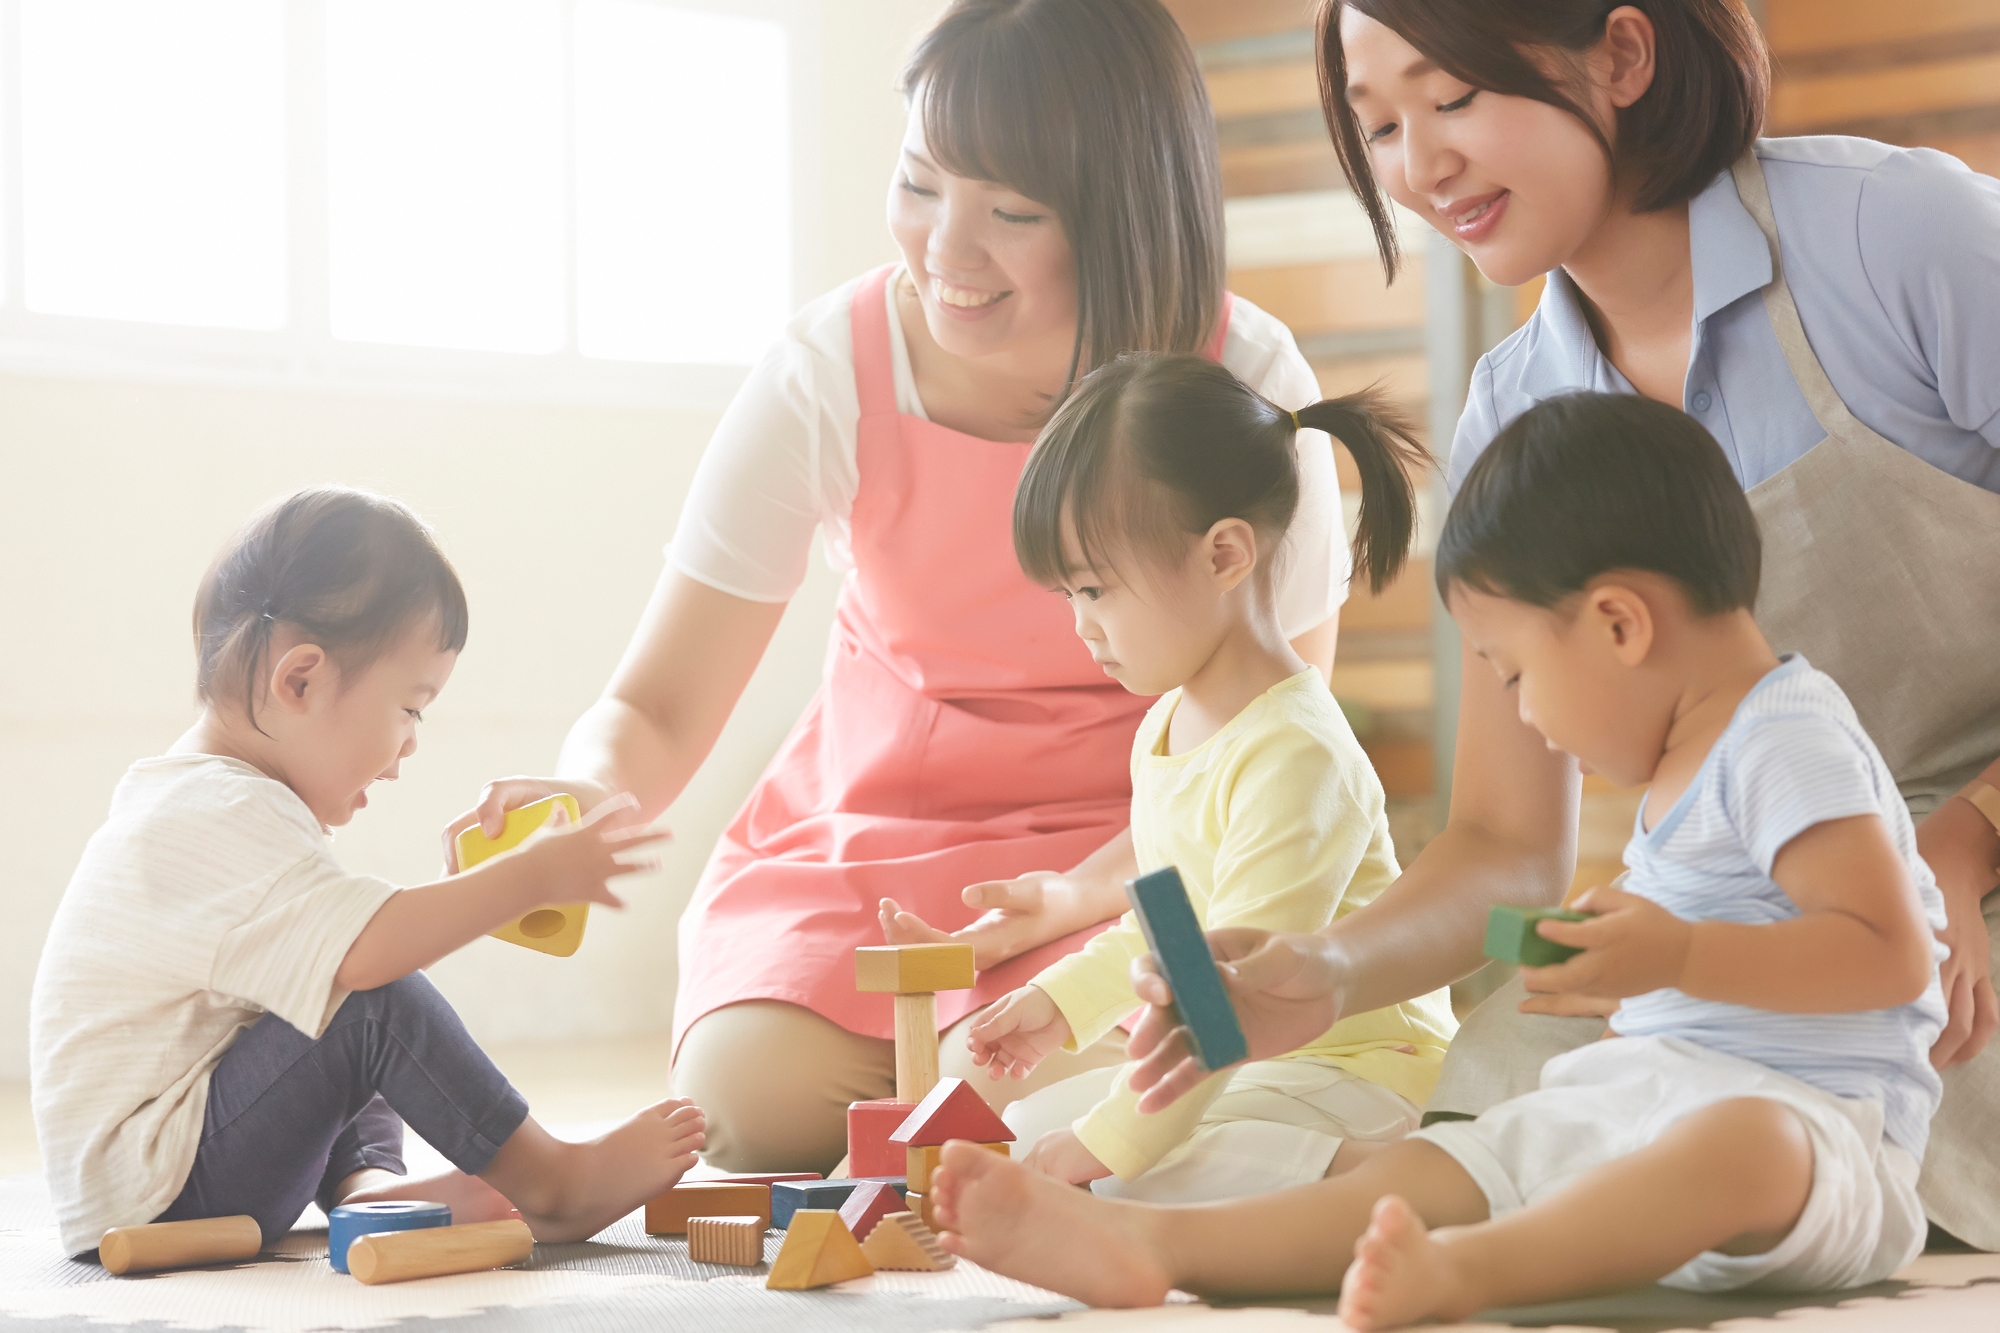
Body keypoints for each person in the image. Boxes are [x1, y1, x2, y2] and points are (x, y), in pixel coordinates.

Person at [1099, 0, 2000, 1247]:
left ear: (1620, 55)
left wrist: (1963, 843)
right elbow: (1503, 846)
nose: (1419, 167)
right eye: (1378, 126)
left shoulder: (1903, 237)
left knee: (1876, 1068)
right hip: (1736, 922)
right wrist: (1333, 971)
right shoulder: (1510, 421)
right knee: (1513, 1069)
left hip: (1958, 879)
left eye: (1454, 97)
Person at [445, 0, 1352, 1175]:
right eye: (920, 183)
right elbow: (656, 707)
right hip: (867, 840)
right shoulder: (829, 366)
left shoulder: (1243, 384)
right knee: (742, 1104)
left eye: (1011, 212)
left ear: (1121, 217)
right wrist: (581, 804)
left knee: (1072, 1098)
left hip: (1136, 856)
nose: (942, 250)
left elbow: (1274, 748)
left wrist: (1079, 898)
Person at [928, 393, 1948, 1324]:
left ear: (1616, 624)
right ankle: (1157, 1244)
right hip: (1642, 1093)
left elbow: (1889, 957)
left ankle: (1471, 1271)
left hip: (1822, 1135)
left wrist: (1676, 958)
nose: (1523, 717)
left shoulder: (1784, 738)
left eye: (1510, 673)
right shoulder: (1686, 758)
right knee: (1441, 1161)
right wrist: (1583, 945)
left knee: (1740, 1149)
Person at [30, 488, 703, 1259]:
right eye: (411, 708)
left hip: (169, 1171)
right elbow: (370, 955)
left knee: (326, 991)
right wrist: (525, 879)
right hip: (166, 1191)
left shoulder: (203, 800)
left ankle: (365, 1187)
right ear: (302, 681)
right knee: (367, 996)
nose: (412, 743)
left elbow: (351, 946)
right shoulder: (216, 813)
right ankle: (549, 1181)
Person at [946, 353, 1456, 1203]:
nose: (1082, 626)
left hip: (1367, 1073)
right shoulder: (1168, 727)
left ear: (1224, 554)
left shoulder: (1296, 752)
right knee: (1032, 1135)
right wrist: (1058, 1003)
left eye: (1096, 588)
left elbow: (1228, 999)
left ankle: (1409, 1181)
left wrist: (1110, 1143)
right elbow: (1173, 940)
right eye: (1069, 595)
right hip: (1260, 1067)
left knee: (1126, 1168)